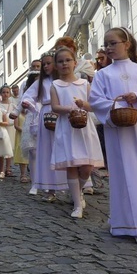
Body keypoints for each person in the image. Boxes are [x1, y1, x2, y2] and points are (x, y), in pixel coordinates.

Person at [89, 28, 137, 245]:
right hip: (117, 131)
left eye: (113, 43)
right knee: (123, 175)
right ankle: (124, 223)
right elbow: (96, 101)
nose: (109, 48)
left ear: (127, 44)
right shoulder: (102, 74)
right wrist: (118, 106)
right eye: (106, 44)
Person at [50, 47, 104, 218]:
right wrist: (70, 109)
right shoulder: (55, 85)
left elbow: (92, 105)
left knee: (87, 166)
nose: (64, 64)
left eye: (67, 60)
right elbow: (55, 107)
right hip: (67, 128)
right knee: (72, 165)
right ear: (56, 66)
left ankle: (78, 191)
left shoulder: (84, 84)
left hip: (84, 127)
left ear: (75, 62)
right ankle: (77, 204)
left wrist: (83, 105)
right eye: (60, 61)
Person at [22, 53, 67, 199]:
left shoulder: (63, 79)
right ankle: (50, 188)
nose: (46, 66)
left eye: (49, 63)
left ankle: (72, 186)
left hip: (64, 114)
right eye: (44, 64)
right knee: (47, 151)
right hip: (47, 115)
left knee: (65, 149)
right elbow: (28, 96)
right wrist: (30, 106)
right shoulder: (40, 82)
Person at [0, 86, 17, 177]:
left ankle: (8, 168)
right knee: (2, 148)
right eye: (3, 92)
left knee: (10, 148)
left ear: (9, 94)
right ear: (1, 94)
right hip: (3, 128)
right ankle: (1, 169)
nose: (5, 94)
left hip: (11, 128)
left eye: (7, 92)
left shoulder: (13, 105)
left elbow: (16, 115)